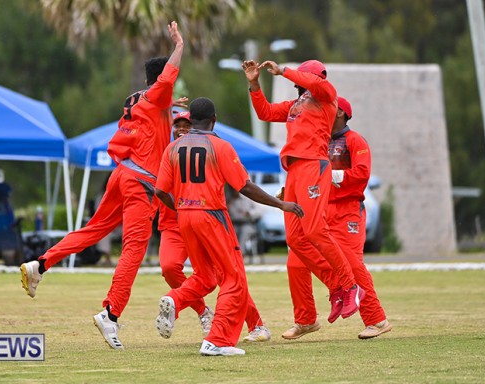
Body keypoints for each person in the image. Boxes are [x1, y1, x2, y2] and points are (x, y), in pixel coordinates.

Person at [20, 21, 186, 350]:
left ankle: (40, 264)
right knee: (133, 252)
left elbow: (157, 102)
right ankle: (110, 314)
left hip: (122, 174)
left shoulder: (138, 98)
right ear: (159, 81)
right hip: (141, 183)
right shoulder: (160, 93)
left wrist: (171, 104)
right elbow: (166, 82)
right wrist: (179, 45)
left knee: (93, 229)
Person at [154, 97, 304, 356]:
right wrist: (281, 204)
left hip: (184, 217)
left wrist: (180, 208)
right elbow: (245, 186)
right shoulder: (220, 146)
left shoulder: (173, 148)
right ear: (214, 120)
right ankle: (218, 340)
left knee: (205, 276)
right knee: (233, 278)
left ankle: (175, 299)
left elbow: (159, 190)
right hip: (211, 216)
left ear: (191, 120)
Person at [242, 58, 364, 326]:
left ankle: (351, 286)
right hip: (294, 170)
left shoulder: (327, 95)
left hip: (313, 164)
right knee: (296, 238)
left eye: (302, 79)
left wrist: (284, 71)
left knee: (315, 230)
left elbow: (312, 83)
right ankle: (336, 287)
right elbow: (265, 112)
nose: (298, 85)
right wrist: (255, 85)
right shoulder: (297, 105)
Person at [283, 96, 392, 340]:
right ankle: (306, 319)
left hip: (346, 210)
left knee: (352, 263)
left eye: (325, 108)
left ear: (340, 112)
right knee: (296, 262)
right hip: (317, 208)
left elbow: (362, 174)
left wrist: (328, 176)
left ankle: (376, 319)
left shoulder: (354, 140)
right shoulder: (318, 141)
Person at [158, 111, 271, 343]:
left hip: (189, 218)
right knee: (175, 268)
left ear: (194, 124)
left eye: (186, 124)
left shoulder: (194, 147)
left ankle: (253, 323)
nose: (181, 128)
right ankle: (207, 319)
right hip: (183, 222)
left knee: (219, 275)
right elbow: (159, 190)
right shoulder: (173, 149)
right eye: (177, 125)